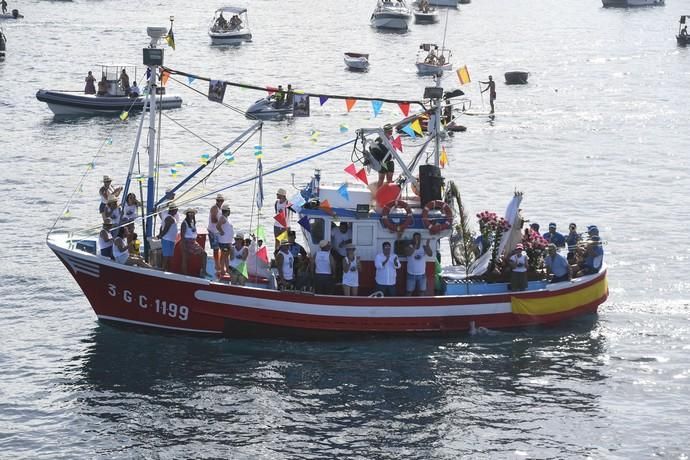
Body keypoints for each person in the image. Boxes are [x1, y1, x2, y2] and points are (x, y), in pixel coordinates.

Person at [180, 208, 210, 278]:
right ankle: (184, 274)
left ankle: (203, 271)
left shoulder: (192, 222)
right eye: (189, 213)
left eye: (192, 213)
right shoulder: (184, 223)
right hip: (187, 242)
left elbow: (192, 231)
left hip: (193, 241)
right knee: (186, 257)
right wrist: (184, 246)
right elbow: (182, 235)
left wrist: (197, 236)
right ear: (187, 214)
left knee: (203, 254)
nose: (191, 215)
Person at [156, 202, 179, 272]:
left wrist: (160, 234)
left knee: (168, 255)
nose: (177, 211)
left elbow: (161, 226)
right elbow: (166, 229)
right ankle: (163, 269)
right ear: (173, 210)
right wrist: (161, 235)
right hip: (167, 239)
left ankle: (166, 268)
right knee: (166, 255)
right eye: (176, 210)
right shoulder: (170, 218)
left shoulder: (166, 215)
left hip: (169, 239)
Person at [208, 194, 225, 276]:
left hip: (217, 231)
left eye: (221, 200)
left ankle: (219, 264)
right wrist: (222, 222)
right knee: (216, 249)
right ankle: (217, 265)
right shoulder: (214, 208)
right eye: (218, 200)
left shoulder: (220, 209)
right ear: (216, 201)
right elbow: (213, 219)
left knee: (221, 248)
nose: (220, 202)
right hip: (213, 231)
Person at [216, 203, 234, 279]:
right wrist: (221, 231)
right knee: (223, 255)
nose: (229, 212)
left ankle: (227, 269)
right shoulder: (222, 218)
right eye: (228, 211)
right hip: (224, 241)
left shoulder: (227, 218)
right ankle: (222, 270)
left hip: (228, 241)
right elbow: (218, 226)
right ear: (226, 211)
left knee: (227, 256)